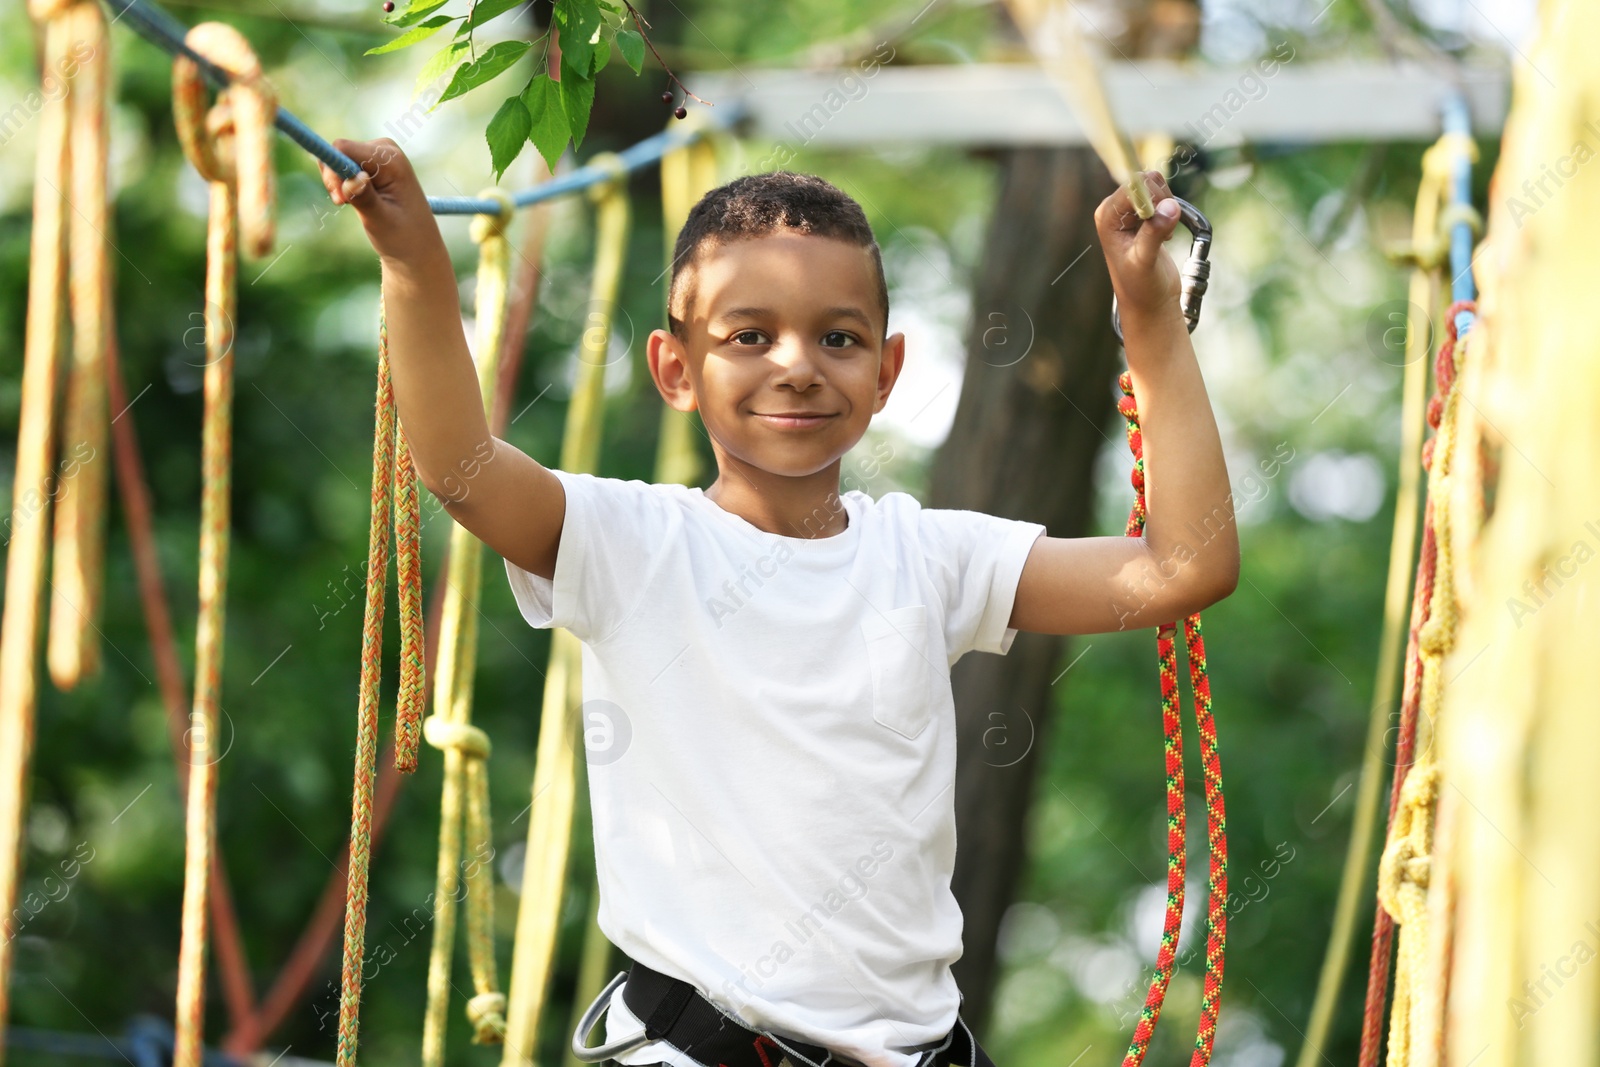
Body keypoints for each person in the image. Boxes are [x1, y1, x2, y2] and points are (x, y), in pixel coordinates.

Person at [320, 140, 1239, 1067]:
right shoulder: (631, 543)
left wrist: (1150, 317)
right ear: (676, 370)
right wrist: (410, 258)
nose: (797, 366)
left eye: (838, 338)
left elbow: (1183, 568)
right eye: (748, 336)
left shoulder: (927, 555)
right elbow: (460, 467)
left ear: (887, 371)